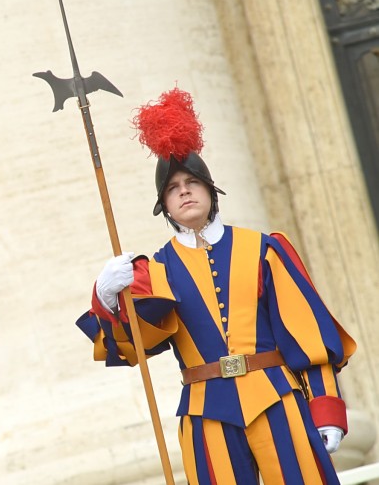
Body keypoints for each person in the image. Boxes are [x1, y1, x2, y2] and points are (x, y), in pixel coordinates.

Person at [76, 88, 356, 484]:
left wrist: (326, 408)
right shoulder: (155, 271)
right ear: (166, 206)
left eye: (191, 182)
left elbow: (307, 337)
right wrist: (107, 298)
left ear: (210, 189)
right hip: (205, 413)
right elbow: (130, 348)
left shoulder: (264, 250)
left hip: (277, 399)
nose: (184, 191)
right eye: (173, 189)